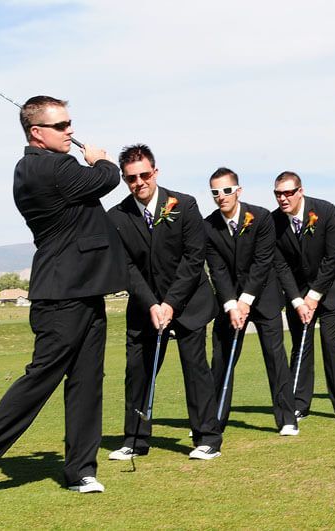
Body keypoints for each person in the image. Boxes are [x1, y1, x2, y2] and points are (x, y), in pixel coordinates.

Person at [0, 95, 127, 497]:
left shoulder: (41, 165)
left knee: (87, 381)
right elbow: (105, 180)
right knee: (43, 377)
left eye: (70, 123)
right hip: (62, 294)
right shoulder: (50, 167)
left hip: (85, 290)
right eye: (61, 126)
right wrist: (100, 159)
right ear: (37, 133)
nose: (71, 132)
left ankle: (80, 469)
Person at [107, 144, 223, 461]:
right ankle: (135, 439)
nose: (139, 182)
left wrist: (170, 302)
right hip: (145, 307)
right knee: (138, 371)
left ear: (155, 172)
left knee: (195, 368)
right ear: (124, 179)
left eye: (145, 174)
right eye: (132, 178)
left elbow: (193, 258)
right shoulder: (116, 216)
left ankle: (207, 438)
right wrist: (152, 304)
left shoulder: (184, 205)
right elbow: (126, 267)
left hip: (189, 302)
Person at [203, 167, 299, 436]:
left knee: (274, 357)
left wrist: (245, 301)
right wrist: (231, 305)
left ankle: (287, 418)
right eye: (215, 192)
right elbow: (217, 269)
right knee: (221, 358)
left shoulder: (262, 218)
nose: (221, 196)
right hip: (229, 300)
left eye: (226, 191)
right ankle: (213, 420)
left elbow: (262, 262)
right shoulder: (208, 225)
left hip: (264, 297)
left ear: (238, 191)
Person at [271, 171, 335, 422]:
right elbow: (281, 265)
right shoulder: (273, 221)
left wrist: (314, 296)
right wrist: (298, 300)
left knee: (331, 342)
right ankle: (299, 403)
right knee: (301, 345)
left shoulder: (326, 211)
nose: (283, 198)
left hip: (332, 288)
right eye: (278, 194)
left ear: (300, 191)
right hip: (297, 292)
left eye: (288, 193)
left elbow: (331, 259)